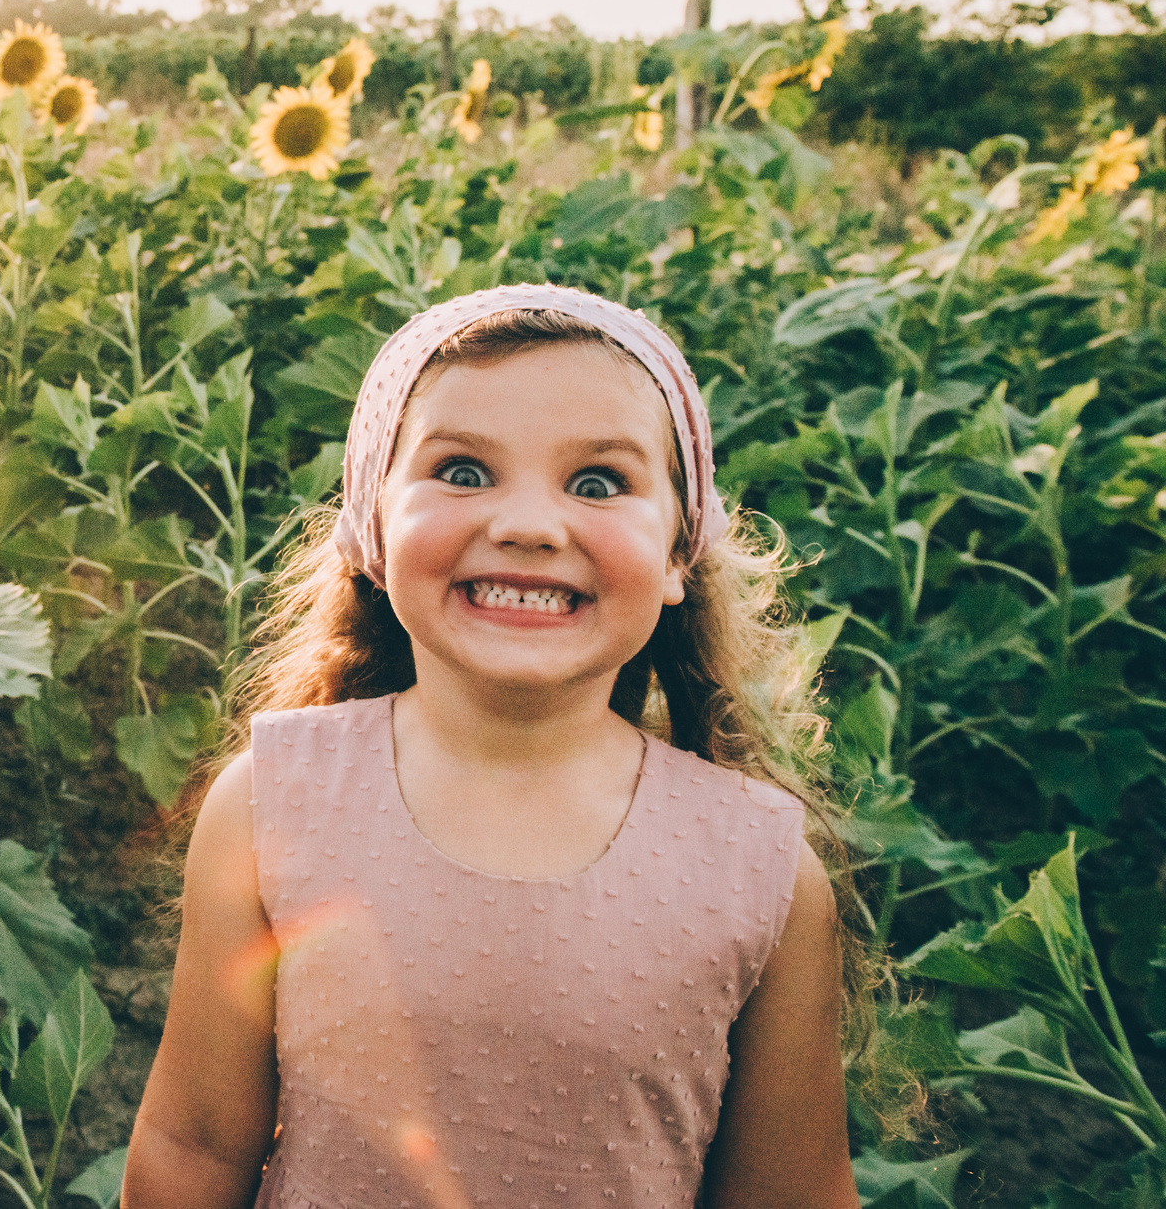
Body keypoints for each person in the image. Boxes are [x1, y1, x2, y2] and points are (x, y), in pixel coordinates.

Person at [125, 285, 860, 1209]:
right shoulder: (273, 803)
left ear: (680, 552)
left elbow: (791, 1195)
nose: (527, 524)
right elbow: (193, 1146)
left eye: (598, 482)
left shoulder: (761, 870)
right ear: (372, 527)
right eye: (464, 471)